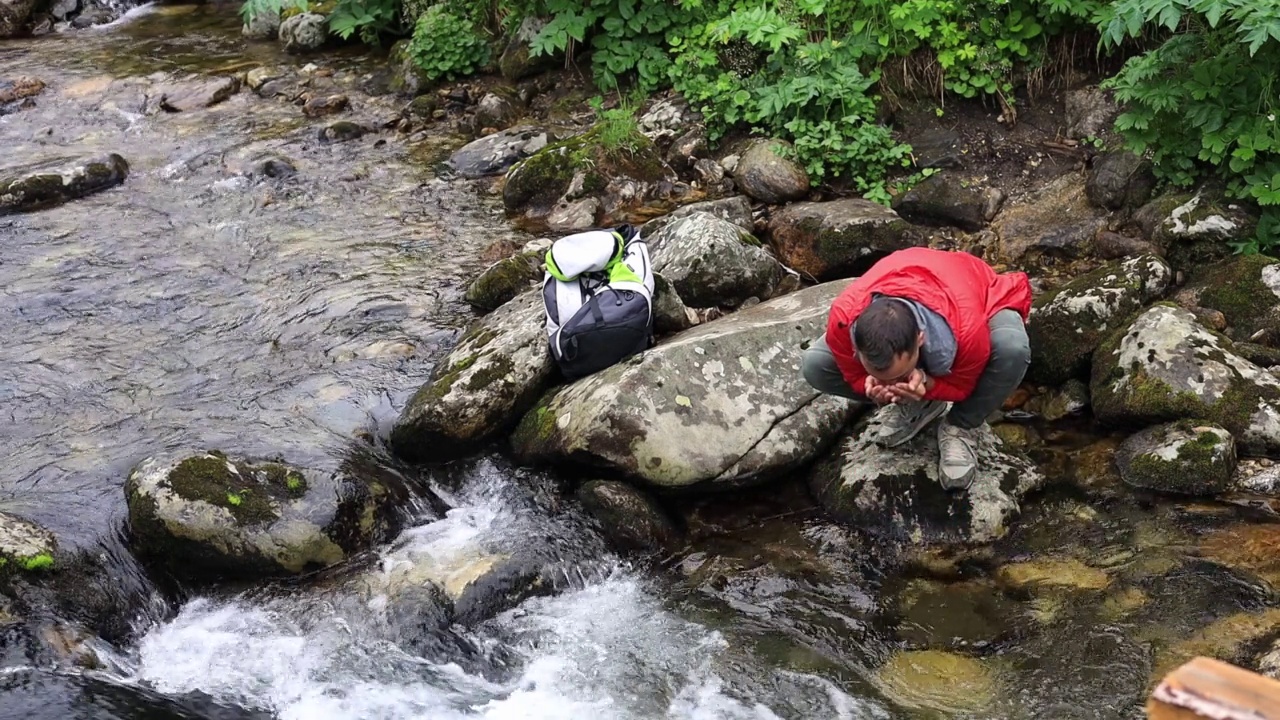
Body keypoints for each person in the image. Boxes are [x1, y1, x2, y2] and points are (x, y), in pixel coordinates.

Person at [801, 247, 1032, 490]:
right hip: (906, 279)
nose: (891, 382)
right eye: (883, 377)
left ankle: (960, 426)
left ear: (920, 340)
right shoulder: (843, 319)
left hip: (978, 293)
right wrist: (871, 388)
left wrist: (927, 384)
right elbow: (851, 373)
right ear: (857, 348)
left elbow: (963, 387)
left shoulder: (968, 333)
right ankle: (919, 406)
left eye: (900, 376)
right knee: (816, 364)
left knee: (1011, 349)